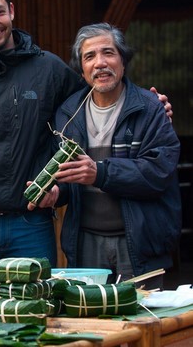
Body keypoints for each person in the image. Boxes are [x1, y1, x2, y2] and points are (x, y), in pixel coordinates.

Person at [0, 0, 173, 280]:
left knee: (38, 314)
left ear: (12, 11)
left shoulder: (50, 69)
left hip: (30, 222)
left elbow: (98, 94)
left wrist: (151, 104)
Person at [50, 23, 181, 289]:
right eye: (89, 56)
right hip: (85, 243)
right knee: (92, 325)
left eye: (108, 53)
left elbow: (158, 173)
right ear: (82, 68)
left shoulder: (149, 109)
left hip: (140, 244)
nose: (100, 63)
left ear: (122, 59)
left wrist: (100, 173)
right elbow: (69, 177)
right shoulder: (68, 112)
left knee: (143, 324)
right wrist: (56, 193)